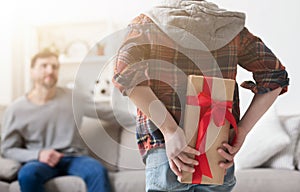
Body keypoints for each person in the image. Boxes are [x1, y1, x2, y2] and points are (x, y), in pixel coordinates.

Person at [112, 0, 289, 191]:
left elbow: (124, 74)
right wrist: (242, 131)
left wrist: (170, 131)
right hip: (218, 149)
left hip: (168, 151)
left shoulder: (147, 25)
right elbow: (276, 76)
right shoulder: (230, 28)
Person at [1, 51, 111, 192]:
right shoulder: (16, 109)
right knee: (27, 175)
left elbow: (109, 113)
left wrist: (140, 114)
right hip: (39, 161)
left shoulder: (74, 98)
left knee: (97, 171)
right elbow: (8, 149)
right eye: (44, 66)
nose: (50, 70)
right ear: (32, 71)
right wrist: (39, 154)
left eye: (54, 67)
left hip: (75, 158)